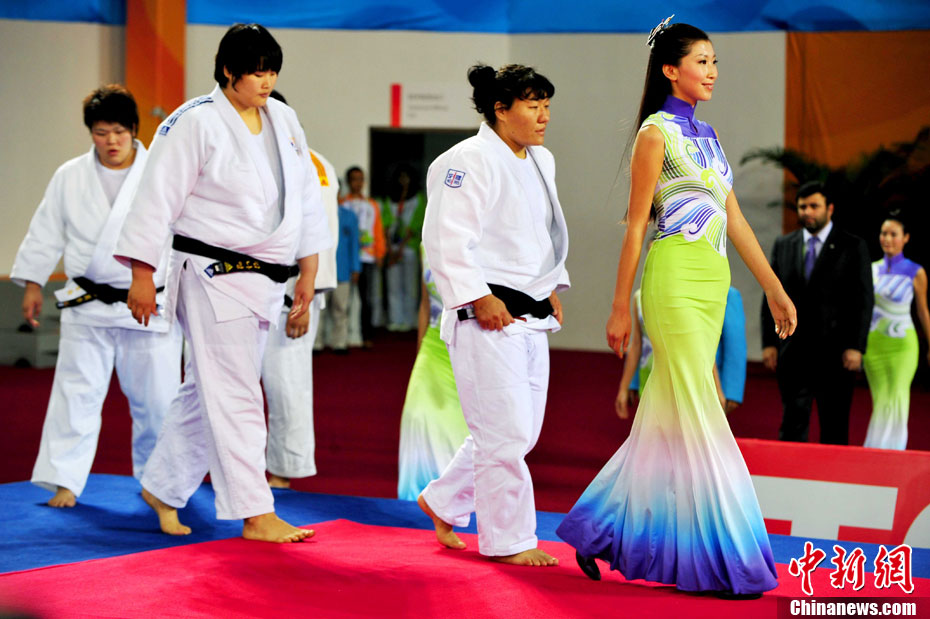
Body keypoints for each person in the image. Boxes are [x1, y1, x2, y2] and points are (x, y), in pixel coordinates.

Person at [557, 20, 796, 596]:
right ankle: (728, 558)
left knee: (664, 422)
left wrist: (773, 287)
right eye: (702, 61)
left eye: (715, 62)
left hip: (712, 285)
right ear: (671, 69)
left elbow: (735, 221)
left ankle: (597, 530)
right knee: (704, 411)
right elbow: (636, 226)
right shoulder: (654, 133)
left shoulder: (708, 135)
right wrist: (620, 306)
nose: (712, 72)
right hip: (672, 284)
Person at [116, 23, 331, 543]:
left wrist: (309, 268)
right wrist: (142, 274)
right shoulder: (193, 121)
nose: (267, 81)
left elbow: (305, 198)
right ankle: (255, 512)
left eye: (272, 71)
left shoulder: (283, 118)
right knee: (237, 392)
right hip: (210, 273)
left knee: (206, 390)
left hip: (266, 277)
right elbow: (155, 197)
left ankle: (163, 487)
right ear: (228, 71)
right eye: (257, 72)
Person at [418, 63, 569, 567]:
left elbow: (539, 234)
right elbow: (445, 239)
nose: (544, 115)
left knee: (520, 431)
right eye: (533, 105)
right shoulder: (465, 160)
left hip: (530, 311)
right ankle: (510, 540)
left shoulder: (541, 160)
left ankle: (443, 500)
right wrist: (476, 296)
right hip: (484, 314)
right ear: (501, 110)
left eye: (546, 105)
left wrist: (551, 285)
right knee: (504, 434)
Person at [10, 85, 181, 508]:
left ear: (135, 130)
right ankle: (65, 480)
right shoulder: (70, 175)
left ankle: (158, 483)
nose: (111, 142)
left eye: (120, 132)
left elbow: (183, 236)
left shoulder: (162, 172)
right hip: (86, 304)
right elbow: (46, 230)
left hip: (148, 304)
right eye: (101, 133)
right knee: (76, 396)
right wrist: (33, 283)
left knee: (158, 401)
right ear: (91, 133)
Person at [261, 89, 340, 488]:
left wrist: (301, 301)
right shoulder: (265, 159)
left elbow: (316, 238)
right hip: (259, 290)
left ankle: (282, 473)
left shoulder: (307, 164)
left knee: (286, 385)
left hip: (291, 293)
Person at [762, 180, 873, 445]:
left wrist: (856, 346)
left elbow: (863, 300)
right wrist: (769, 343)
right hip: (793, 352)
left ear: (829, 208)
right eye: (803, 207)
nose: (807, 212)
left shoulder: (853, 246)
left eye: (814, 206)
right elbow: (771, 296)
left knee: (835, 426)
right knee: (792, 424)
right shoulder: (784, 244)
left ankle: (834, 473)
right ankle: (790, 470)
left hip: (836, 354)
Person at [397, 244, 469, 500]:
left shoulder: (479, 239)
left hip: (469, 347)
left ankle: (455, 498)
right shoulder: (425, 244)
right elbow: (425, 304)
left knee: (460, 428)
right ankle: (416, 498)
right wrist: (420, 353)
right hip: (433, 344)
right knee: (417, 418)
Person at [862, 214, 930, 449]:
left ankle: (894, 452)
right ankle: (875, 451)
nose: (887, 239)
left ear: (906, 238)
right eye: (884, 233)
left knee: (898, 396)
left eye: (893, 234)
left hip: (903, 346)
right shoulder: (870, 270)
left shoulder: (916, 272)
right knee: (881, 399)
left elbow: (923, 311)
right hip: (873, 346)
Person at [340, 166, 386, 347]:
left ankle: (366, 336)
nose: (357, 183)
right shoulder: (342, 204)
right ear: (348, 182)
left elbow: (378, 230)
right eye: (354, 179)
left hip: (367, 257)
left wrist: (380, 252)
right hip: (346, 259)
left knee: (366, 299)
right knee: (343, 298)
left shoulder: (371, 205)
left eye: (361, 179)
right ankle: (344, 336)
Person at [381, 164, 426, 332]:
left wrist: (401, 246)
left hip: (409, 248)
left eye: (406, 177)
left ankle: (409, 320)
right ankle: (395, 319)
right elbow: (385, 223)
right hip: (392, 248)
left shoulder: (418, 199)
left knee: (410, 286)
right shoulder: (390, 200)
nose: (404, 181)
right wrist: (389, 246)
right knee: (393, 286)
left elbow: (417, 224)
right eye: (401, 177)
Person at [317, 193, 361, 353]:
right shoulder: (317, 213)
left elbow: (355, 244)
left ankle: (340, 343)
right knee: (319, 309)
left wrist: (355, 268)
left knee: (341, 309)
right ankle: (316, 343)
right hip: (321, 271)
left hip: (343, 270)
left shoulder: (349, 216)